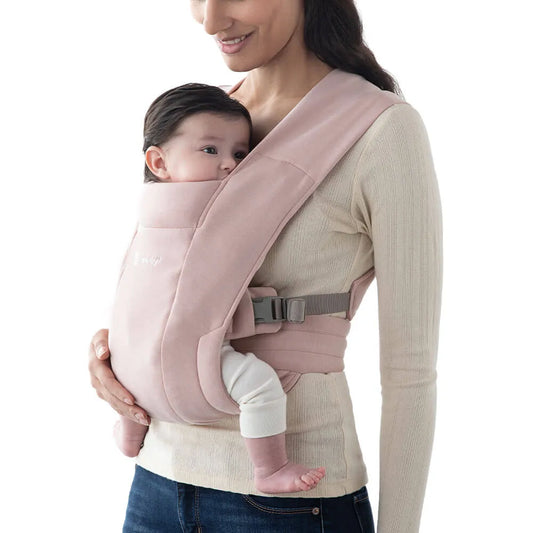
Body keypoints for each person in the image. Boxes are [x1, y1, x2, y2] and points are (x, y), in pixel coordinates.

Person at [88, 0, 442, 531]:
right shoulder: (206, 122)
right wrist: (115, 352)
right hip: (155, 477)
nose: (210, 20)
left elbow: (410, 372)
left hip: (292, 503)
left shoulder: (379, 131)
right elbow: (167, 279)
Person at [112, 82, 326, 495]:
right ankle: (269, 468)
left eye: (241, 154)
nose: (229, 165)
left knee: (138, 372)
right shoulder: (211, 210)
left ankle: (130, 431)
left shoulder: (149, 213)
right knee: (259, 385)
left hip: (129, 357)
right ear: (158, 162)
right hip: (185, 356)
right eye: (210, 150)